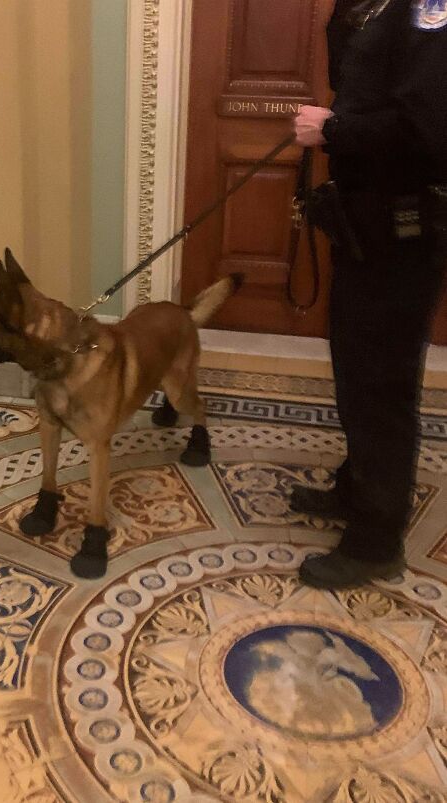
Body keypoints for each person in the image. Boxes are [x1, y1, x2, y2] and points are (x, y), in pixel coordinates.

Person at [291, 0, 447, 589]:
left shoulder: (432, 10)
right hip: (366, 228)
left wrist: (333, 129)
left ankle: (377, 541)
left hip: (403, 232)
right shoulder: (372, 5)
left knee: (381, 386)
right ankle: (357, 492)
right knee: (356, 371)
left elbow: (430, 128)